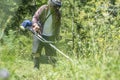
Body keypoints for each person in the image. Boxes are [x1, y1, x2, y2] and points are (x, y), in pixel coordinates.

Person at [31, 0, 62, 69]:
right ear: (50, 4)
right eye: (54, 6)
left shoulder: (58, 14)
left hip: (50, 36)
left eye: (57, 7)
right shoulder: (43, 8)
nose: (56, 8)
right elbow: (35, 17)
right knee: (36, 52)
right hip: (39, 33)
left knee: (52, 54)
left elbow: (58, 25)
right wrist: (35, 25)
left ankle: (55, 69)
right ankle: (36, 68)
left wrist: (57, 35)